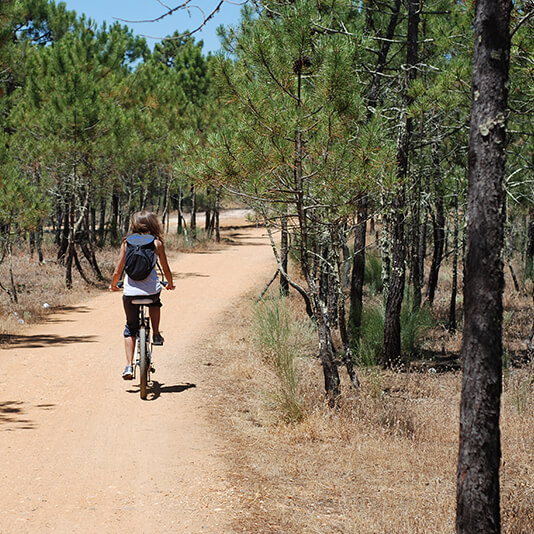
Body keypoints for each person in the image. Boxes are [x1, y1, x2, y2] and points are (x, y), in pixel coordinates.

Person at [110, 210, 175, 380]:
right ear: (153, 224)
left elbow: (118, 269)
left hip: (130, 294)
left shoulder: (126, 243)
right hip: (151, 291)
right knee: (155, 302)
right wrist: (170, 284)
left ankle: (129, 366)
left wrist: (113, 285)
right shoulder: (157, 243)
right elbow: (166, 268)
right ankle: (155, 333)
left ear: (134, 224)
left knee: (130, 328)